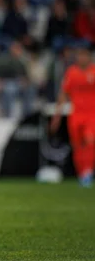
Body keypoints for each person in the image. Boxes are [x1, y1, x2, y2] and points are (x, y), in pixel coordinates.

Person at [51, 44, 95, 187]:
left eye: (84, 55)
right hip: (76, 114)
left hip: (92, 114)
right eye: (79, 55)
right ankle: (82, 173)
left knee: (90, 140)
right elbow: (64, 94)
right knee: (77, 146)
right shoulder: (72, 72)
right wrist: (57, 116)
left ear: (89, 56)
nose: (81, 58)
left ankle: (88, 171)